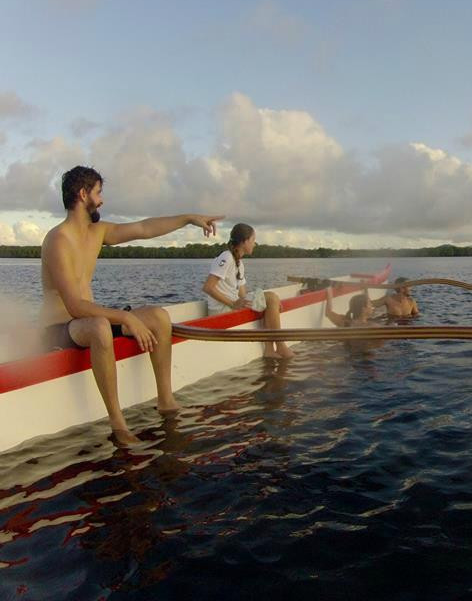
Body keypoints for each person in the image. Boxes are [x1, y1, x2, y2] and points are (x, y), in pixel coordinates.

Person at [40, 165, 223, 445]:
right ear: (82, 194)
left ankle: (166, 401)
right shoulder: (58, 239)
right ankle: (118, 425)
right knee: (101, 327)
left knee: (158, 316)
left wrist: (188, 218)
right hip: (60, 328)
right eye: (98, 192)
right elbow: (75, 306)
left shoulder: (97, 231)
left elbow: (144, 228)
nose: (102, 200)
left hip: (87, 321)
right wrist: (125, 318)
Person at [202, 223, 294, 361]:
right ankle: (280, 346)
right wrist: (233, 304)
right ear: (244, 241)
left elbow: (243, 295)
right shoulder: (226, 257)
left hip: (230, 306)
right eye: (253, 240)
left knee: (271, 299)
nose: (254, 244)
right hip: (220, 311)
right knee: (271, 297)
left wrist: (272, 305)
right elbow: (208, 287)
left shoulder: (239, 263)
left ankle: (269, 350)